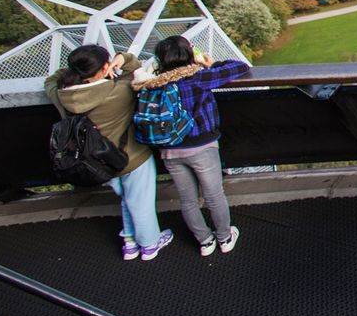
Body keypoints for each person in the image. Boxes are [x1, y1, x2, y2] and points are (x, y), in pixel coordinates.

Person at [45, 44, 174, 261]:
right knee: (140, 201)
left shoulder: (62, 97)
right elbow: (138, 70)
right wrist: (122, 59)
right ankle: (150, 245)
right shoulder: (120, 91)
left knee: (127, 199)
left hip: (96, 162)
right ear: (106, 67)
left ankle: (130, 242)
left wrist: (70, 72)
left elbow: (50, 81)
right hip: (131, 157)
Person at [130, 36, 250, 256]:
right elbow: (240, 66)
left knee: (188, 200)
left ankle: (205, 242)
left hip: (169, 150)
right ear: (188, 54)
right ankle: (224, 237)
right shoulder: (198, 78)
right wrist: (208, 63)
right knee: (214, 195)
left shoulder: (153, 83)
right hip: (201, 146)